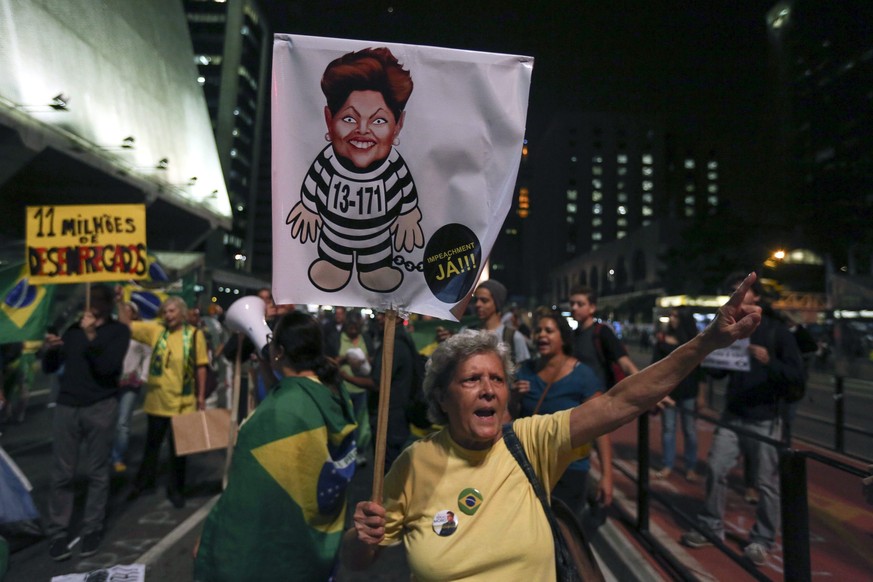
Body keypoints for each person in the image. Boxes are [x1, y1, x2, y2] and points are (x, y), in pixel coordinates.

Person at [342, 273, 763, 579]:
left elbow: (623, 399)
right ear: (441, 397)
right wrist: (362, 537)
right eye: (471, 379)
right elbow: (360, 560)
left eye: (498, 379)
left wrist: (706, 342)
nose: (489, 390)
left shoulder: (529, 441)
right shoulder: (415, 463)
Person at [193, 312, 357, 581]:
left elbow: (247, 498)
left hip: (278, 548)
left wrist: (215, 538)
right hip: (311, 538)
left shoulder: (280, 412)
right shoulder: (331, 390)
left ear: (279, 351)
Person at [680, 272, 805, 566]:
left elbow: (797, 377)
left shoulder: (777, 332)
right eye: (731, 291)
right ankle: (711, 525)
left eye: (742, 291)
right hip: (732, 415)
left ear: (756, 296)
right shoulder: (732, 329)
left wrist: (769, 361)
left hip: (765, 418)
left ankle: (762, 539)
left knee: (766, 483)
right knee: (715, 467)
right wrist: (707, 357)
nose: (736, 296)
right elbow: (720, 372)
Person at [287, 46, 424, 293]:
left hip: (378, 241)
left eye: (379, 120)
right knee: (333, 257)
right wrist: (308, 207)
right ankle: (333, 264)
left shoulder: (394, 164)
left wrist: (408, 213)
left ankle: (375, 268)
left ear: (398, 125)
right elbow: (312, 181)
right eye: (349, 118)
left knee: (377, 258)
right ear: (329, 120)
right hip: (333, 238)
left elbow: (406, 189)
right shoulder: (327, 160)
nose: (362, 130)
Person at [41, 285, 130, 561]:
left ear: (105, 304)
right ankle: (58, 533)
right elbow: (50, 368)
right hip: (68, 406)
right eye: (87, 301)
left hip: (100, 406)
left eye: (96, 301)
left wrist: (92, 336)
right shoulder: (72, 330)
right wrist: (51, 350)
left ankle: (92, 528)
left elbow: (108, 368)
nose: (89, 306)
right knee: (62, 473)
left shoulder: (118, 332)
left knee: (97, 472)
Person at [516, 311, 613, 516]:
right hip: (529, 467)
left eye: (549, 331)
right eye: (538, 330)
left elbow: (600, 427)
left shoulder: (582, 375)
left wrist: (607, 475)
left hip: (569, 472)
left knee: (563, 536)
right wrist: (513, 396)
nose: (542, 335)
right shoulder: (524, 371)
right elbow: (509, 417)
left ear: (563, 338)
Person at [121, 296, 208, 509]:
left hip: (183, 403)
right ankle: (143, 484)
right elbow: (126, 326)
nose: (168, 315)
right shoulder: (155, 331)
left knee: (179, 451)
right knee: (151, 446)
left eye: (172, 311)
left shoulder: (194, 335)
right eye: (165, 312)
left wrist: (201, 396)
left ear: (182, 312)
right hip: (157, 402)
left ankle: (176, 490)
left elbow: (201, 366)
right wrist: (120, 301)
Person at [651, 307, 704, 481]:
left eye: (675, 316)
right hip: (669, 392)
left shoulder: (694, 342)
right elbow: (655, 367)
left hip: (688, 391)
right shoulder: (662, 340)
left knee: (689, 430)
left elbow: (700, 371)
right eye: (671, 315)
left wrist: (701, 395)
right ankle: (668, 465)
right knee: (668, 429)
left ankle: (691, 467)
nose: (672, 319)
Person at [568, 285, 639, 389]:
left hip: (600, 397)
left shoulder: (602, 331)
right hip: (577, 398)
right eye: (572, 304)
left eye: (580, 304)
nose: (574, 308)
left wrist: (646, 386)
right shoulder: (572, 335)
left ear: (592, 308)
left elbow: (626, 364)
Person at [110, 302, 152, 474]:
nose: (124, 314)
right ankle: (103, 453)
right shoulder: (112, 331)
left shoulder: (139, 333)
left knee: (123, 422)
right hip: (111, 381)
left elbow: (148, 354)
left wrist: (143, 376)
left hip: (130, 382)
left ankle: (117, 457)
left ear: (135, 314)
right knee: (106, 420)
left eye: (128, 311)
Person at [336, 310, 375, 465]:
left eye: (356, 327)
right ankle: (344, 453)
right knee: (345, 422)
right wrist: (346, 358)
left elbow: (372, 358)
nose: (353, 330)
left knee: (361, 423)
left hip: (361, 388)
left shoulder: (365, 338)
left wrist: (365, 360)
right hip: (344, 389)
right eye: (350, 327)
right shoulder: (338, 338)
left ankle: (359, 451)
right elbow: (331, 360)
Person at [472, 279, 531, 364]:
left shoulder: (514, 337)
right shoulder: (469, 333)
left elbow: (524, 372)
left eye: (484, 300)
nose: (478, 304)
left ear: (497, 303)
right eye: (476, 300)